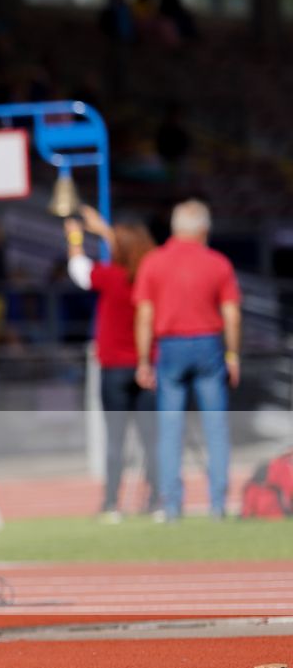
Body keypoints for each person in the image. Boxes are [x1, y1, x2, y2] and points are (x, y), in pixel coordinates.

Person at [134, 200, 241, 521]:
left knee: (169, 428)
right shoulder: (218, 263)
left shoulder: (154, 263)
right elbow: (231, 315)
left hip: (170, 346)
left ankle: (171, 504)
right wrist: (232, 355)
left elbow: (144, 314)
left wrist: (142, 360)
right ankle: (218, 504)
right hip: (209, 344)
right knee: (216, 427)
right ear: (204, 230)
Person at [64, 206, 159, 520]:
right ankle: (158, 499)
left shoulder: (111, 276)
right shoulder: (151, 276)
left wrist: (75, 238)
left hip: (115, 368)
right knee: (151, 439)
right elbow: (138, 250)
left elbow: (79, 270)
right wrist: (104, 230)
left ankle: (111, 503)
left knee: (115, 438)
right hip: (148, 366)